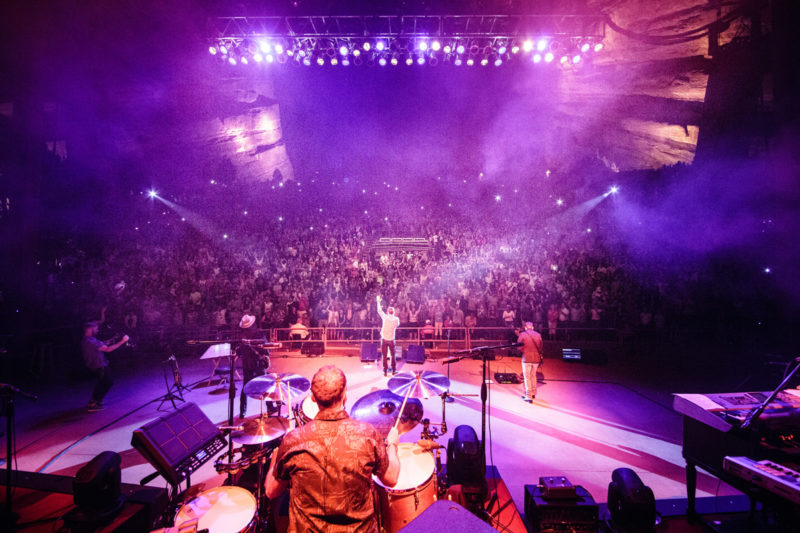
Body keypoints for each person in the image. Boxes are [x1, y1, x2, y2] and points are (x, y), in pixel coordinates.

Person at [265, 365, 400, 532]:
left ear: (313, 398)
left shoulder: (294, 440)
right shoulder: (368, 435)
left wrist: (277, 455)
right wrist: (392, 445)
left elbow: (271, 491)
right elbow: (391, 478)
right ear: (345, 395)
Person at [82, 321, 129, 411]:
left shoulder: (88, 339)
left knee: (102, 382)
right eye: (96, 328)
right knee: (107, 382)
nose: (97, 330)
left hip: (98, 365)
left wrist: (113, 339)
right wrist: (123, 341)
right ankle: (94, 403)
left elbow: (102, 344)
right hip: (98, 365)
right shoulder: (90, 341)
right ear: (90, 329)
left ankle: (94, 401)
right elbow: (107, 349)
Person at [238, 314, 269, 419]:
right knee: (265, 385)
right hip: (256, 364)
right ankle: (270, 407)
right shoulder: (259, 334)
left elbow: (239, 351)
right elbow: (266, 348)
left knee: (246, 388)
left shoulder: (243, 336)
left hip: (249, 364)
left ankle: (242, 411)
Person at [517, 321, 543, 403]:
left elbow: (519, 347)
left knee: (527, 376)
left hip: (527, 358)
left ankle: (528, 396)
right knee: (533, 375)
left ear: (525, 328)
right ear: (533, 327)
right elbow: (541, 346)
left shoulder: (523, 335)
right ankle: (534, 393)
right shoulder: (538, 335)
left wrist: (524, 351)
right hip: (536, 358)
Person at [376, 295, 400, 376]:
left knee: (384, 355)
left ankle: (385, 371)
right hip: (391, 340)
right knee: (393, 355)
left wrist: (378, 302)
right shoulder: (396, 319)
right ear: (394, 312)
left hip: (384, 339)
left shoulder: (385, 317)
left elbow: (379, 310)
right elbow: (397, 325)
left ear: (387, 312)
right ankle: (393, 370)